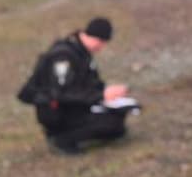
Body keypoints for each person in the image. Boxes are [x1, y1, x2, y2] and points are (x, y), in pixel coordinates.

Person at [17, 17, 136, 156]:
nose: (102, 47)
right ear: (95, 37)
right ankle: (61, 139)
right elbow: (62, 93)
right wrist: (101, 96)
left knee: (118, 124)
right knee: (111, 124)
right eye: (102, 42)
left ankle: (69, 134)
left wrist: (108, 93)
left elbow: (89, 83)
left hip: (74, 107)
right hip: (56, 112)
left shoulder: (81, 52)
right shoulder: (64, 55)